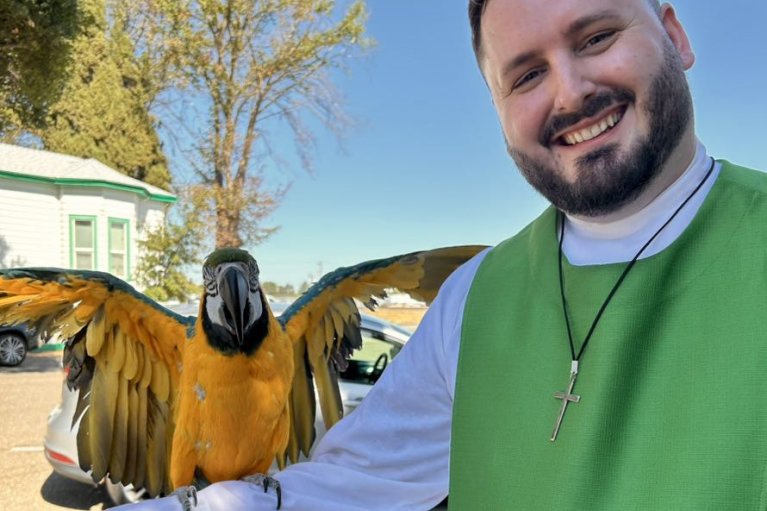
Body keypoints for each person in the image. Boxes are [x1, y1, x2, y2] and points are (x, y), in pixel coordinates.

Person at [118, 0, 767, 509]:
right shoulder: (472, 295)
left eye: (595, 37)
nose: (567, 93)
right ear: (499, 113)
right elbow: (348, 485)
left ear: (675, 37)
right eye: (525, 75)